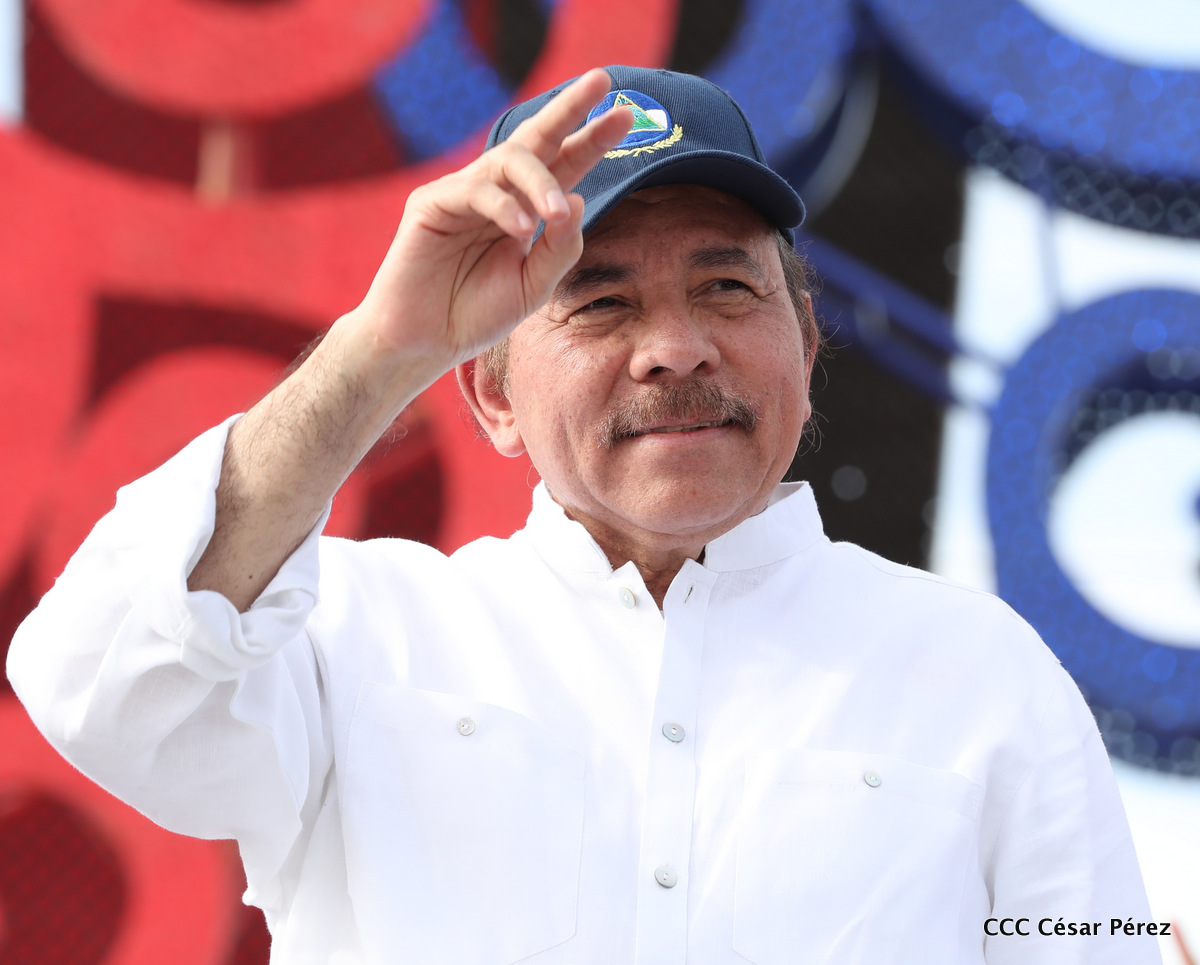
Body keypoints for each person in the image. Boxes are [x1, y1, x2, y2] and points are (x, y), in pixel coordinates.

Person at [8, 66, 1160, 965]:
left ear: (806, 346)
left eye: (727, 286)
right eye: (600, 302)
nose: (676, 348)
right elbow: (94, 682)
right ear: (491, 393)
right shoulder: (355, 634)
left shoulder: (983, 668)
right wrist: (383, 348)